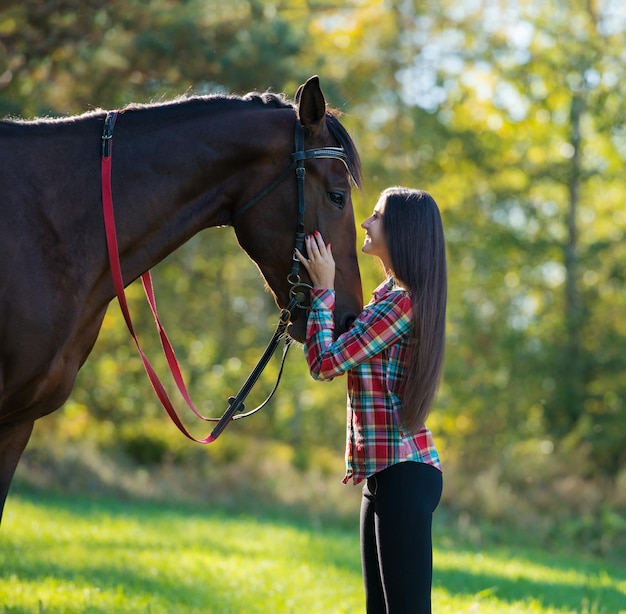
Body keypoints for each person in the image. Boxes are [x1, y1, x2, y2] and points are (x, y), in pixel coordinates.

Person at [295, 187, 447, 614]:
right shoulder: (387, 298)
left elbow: (326, 362)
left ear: (401, 230)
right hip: (387, 474)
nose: (365, 222)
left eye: (376, 216)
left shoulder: (401, 305)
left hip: (403, 473)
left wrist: (323, 290)